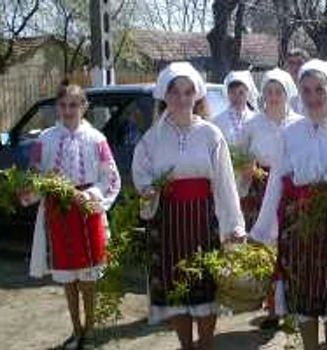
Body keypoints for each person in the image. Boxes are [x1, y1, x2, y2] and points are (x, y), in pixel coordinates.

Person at [250, 59, 327, 350]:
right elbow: (275, 185)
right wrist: (261, 231)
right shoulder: (289, 134)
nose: (313, 97)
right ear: (299, 95)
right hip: (298, 226)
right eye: (306, 90)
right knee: (303, 293)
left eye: (319, 89)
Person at [132, 62, 246, 350]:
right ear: (164, 95)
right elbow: (141, 174)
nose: (182, 99)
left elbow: (225, 183)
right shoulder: (152, 138)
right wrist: (148, 189)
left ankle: (205, 345)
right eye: (175, 92)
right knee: (176, 291)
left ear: (196, 95)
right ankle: (186, 345)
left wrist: (234, 225)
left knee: (205, 289)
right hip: (168, 224)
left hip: (203, 222)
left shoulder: (211, 134)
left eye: (187, 92)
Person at [21, 83, 121, 350]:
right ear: (57, 107)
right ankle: (75, 329)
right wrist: (29, 190)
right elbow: (34, 172)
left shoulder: (97, 139)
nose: (68, 110)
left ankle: (89, 330)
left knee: (87, 277)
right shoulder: (45, 139)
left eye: (74, 105)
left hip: (87, 211)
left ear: (84, 106)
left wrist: (89, 196)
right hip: (58, 213)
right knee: (68, 277)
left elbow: (110, 177)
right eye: (63, 105)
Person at [238, 68, 304, 329]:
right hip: (261, 187)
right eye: (269, 91)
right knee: (266, 248)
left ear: (287, 94)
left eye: (279, 92)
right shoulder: (252, 123)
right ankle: (272, 308)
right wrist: (246, 168)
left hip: (290, 187)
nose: (274, 97)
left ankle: (294, 306)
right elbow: (241, 155)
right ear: (262, 94)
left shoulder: (299, 122)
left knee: (291, 245)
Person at [210, 70, 259, 146]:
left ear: (247, 93)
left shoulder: (256, 119)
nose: (237, 97)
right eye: (233, 93)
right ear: (228, 94)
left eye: (241, 92)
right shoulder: (218, 121)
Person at [286, 48, 312, 114]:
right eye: (291, 63)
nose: (295, 67)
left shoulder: (313, 90)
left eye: (299, 63)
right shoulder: (284, 91)